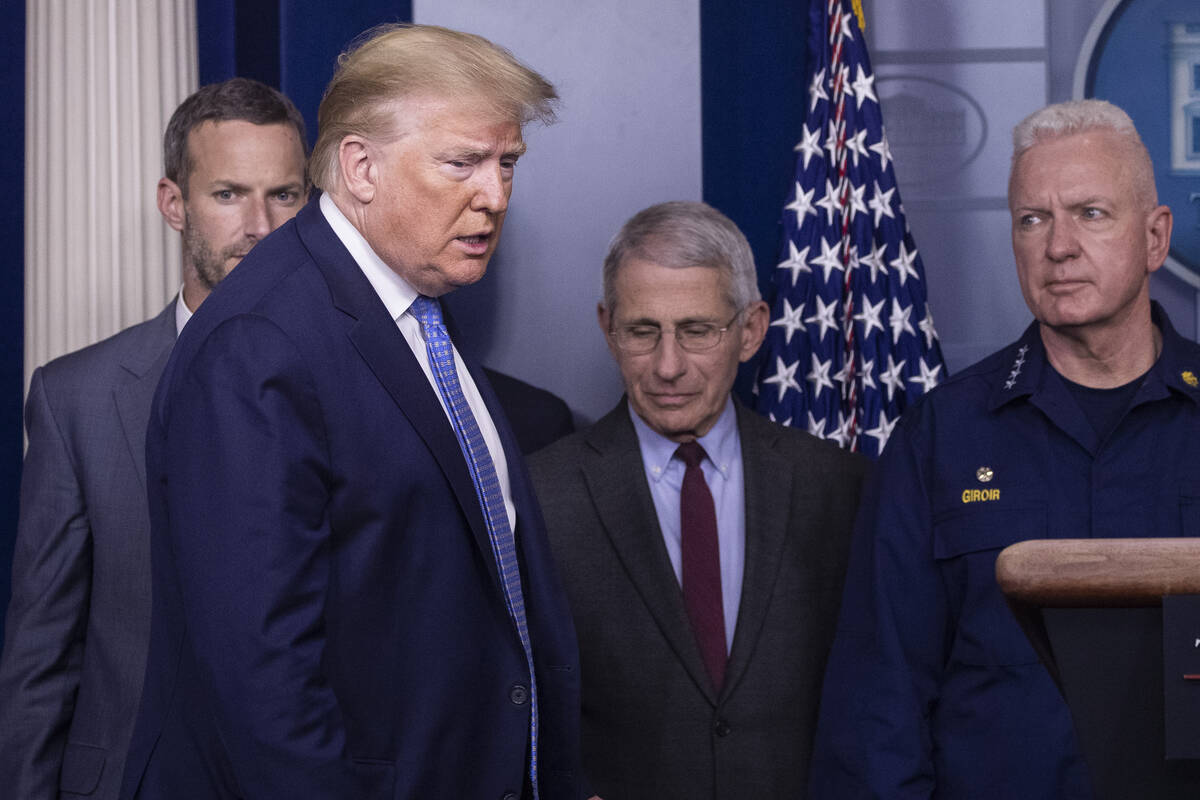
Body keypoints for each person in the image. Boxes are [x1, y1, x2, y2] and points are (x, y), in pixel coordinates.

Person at [118, 24, 583, 800]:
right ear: (360, 168)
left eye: (507, 164)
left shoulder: (414, 303)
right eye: (462, 163)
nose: (495, 196)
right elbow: (263, 684)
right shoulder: (258, 342)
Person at [808, 98, 1192, 799]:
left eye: (1091, 213)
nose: (1059, 246)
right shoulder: (940, 437)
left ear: (1156, 237)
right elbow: (879, 708)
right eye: (1032, 219)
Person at [0, 78, 308, 800]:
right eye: (228, 194)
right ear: (175, 205)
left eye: (285, 196)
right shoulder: (76, 396)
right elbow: (42, 659)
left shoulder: (363, 384)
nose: (260, 225)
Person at [528, 201, 867, 798]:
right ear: (608, 328)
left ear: (751, 330)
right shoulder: (539, 497)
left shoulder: (838, 487)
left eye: (696, 330)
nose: (668, 365)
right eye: (642, 331)